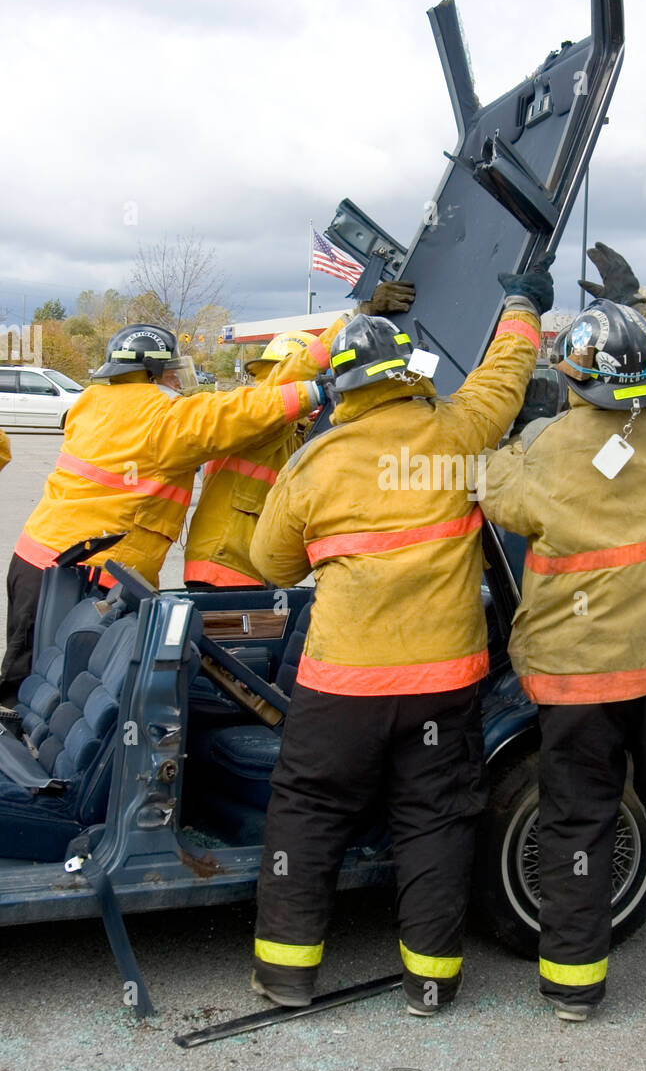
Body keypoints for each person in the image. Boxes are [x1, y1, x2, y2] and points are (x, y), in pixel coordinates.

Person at [247, 259, 554, 1014]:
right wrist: (521, 303)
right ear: (407, 373)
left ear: (346, 388)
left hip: (340, 687)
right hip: (441, 686)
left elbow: (270, 562)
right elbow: (506, 371)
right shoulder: (458, 429)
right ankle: (430, 982)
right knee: (436, 820)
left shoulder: (316, 462)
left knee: (309, 815)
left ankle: (287, 974)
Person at [480, 243, 646, 1021]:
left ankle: (574, 987)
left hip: (579, 679)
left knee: (577, 821)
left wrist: (518, 382)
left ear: (573, 378)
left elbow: (491, 485)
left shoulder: (546, 455)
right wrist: (643, 301)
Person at [0, 326, 325, 706]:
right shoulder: (163, 419)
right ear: (151, 373)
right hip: (90, 573)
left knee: (30, 674)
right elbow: (239, 413)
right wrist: (314, 390)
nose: (178, 382)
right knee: (54, 687)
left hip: (36, 561)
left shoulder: (91, 402)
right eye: (172, 372)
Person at [183, 284, 414, 590]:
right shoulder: (262, 414)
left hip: (243, 568)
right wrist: (358, 316)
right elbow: (283, 385)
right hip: (226, 566)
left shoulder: (293, 433)